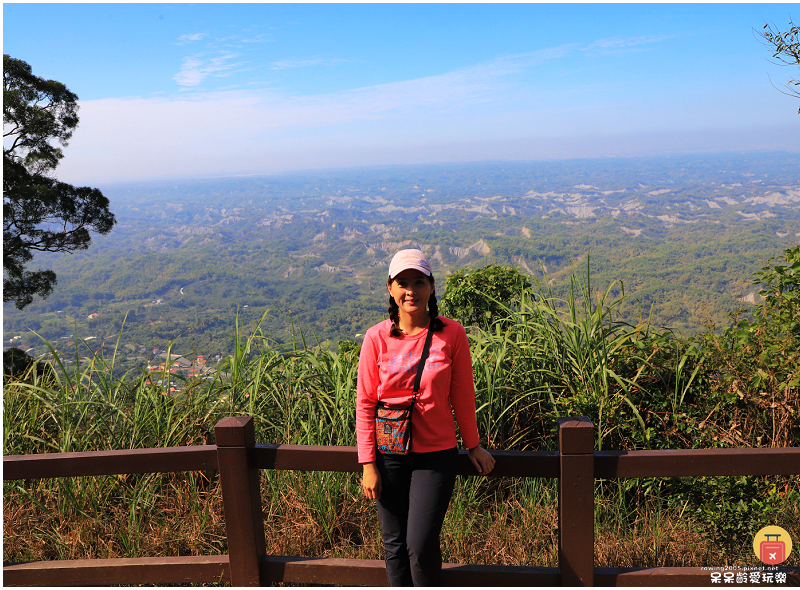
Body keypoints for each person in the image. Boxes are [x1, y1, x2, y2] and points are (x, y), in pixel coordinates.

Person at [356, 248, 495, 586]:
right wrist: (368, 464)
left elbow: (462, 396)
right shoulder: (377, 338)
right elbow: (365, 403)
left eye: (419, 282)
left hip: (436, 454)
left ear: (432, 287)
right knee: (394, 544)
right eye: (402, 282)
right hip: (389, 453)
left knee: (420, 544)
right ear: (390, 288)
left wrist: (473, 446)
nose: (411, 291)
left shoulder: (451, 334)